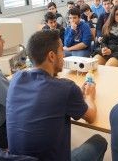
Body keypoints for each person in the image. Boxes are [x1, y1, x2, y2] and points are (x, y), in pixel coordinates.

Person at [7, 30, 107, 161]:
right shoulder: (66, 88)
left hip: (15, 158)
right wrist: (89, 96)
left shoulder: (16, 78)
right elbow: (91, 117)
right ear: (52, 56)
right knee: (100, 142)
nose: (64, 54)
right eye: (61, 50)